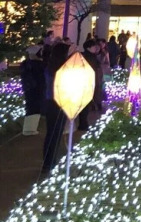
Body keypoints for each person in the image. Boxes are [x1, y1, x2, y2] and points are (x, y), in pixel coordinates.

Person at [42, 42, 71, 174]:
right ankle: (50, 162)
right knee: (56, 133)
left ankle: (49, 161)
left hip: (50, 102)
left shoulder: (50, 66)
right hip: (59, 102)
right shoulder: (62, 69)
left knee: (51, 133)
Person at [78, 39, 104, 129]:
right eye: (93, 46)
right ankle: (83, 124)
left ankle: (83, 123)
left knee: (86, 104)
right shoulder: (88, 57)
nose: (95, 48)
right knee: (85, 104)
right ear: (88, 48)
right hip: (88, 82)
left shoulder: (90, 56)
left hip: (89, 82)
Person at [20, 45, 45, 134]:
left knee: (31, 107)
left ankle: (30, 128)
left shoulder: (25, 64)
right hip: (36, 89)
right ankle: (29, 129)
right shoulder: (38, 65)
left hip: (29, 89)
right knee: (35, 108)